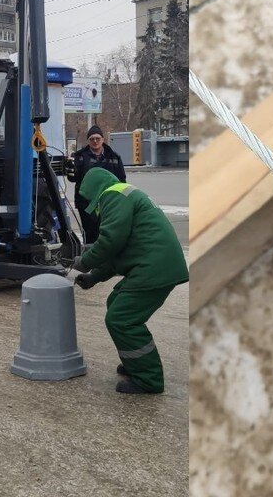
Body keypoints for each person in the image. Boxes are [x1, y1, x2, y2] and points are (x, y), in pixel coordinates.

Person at [72, 167, 188, 394]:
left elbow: (110, 241)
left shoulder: (113, 195)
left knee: (121, 319)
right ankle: (136, 363)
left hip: (154, 267)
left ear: (94, 189)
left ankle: (148, 379)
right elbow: (118, 252)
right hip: (155, 265)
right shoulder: (124, 194)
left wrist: (84, 261)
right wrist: (93, 277)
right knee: (116, 303)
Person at [67, 125, 126, 243]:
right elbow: (73, 179)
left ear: (103, 140)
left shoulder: (114, 157)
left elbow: (122, 181)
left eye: (97, 138)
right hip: (86, 203)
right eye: (92, 139)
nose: (95, 141)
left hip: (108, 202)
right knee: (90, 232)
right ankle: (90, 256)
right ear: (88, 141)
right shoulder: (79, 157)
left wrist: (121, 200)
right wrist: (69, 169)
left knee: (107, 231)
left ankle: (107, 257)